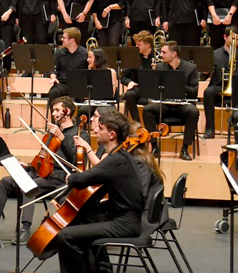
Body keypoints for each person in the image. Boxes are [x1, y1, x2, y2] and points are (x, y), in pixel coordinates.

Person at [57, 108, 163, 273]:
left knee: (66, 236)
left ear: (111, 135)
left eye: (101, 127)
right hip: (125, 218)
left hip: (125, 224)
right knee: (87, 217)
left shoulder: (115, 160)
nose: (96, 130)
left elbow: (83, 178)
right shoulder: (122, 155)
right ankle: (101, 269)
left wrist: (70, 178)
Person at [0, 96, 86, 243]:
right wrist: (29, 166)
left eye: (57, 110)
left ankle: (25, 228)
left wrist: (62, 138)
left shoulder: (79, 133)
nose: (53, 113)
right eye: (53, 110)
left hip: (58, 177)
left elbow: (75, 159)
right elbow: (44, 158)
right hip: (40, 174)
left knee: (28, 185)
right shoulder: (51, 134)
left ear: (67, 112)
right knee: (5, 181)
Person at [142, 42, 200, 160]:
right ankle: (154, 147)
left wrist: (179, 85)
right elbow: (154, 90)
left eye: (164, 52)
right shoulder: (159, 67)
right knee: (147, 110)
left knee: (193, 112)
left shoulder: (190, 68)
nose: (161, 55)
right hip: (165, 105)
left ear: (174, 54)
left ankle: (184, 149)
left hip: (182, 105)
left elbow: (194, 92)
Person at [202, 26, 238, 139]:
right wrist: (205, 71)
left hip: (237, 89)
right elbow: (203, 77)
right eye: (233, 39)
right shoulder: (215, 54)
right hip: (219, 87)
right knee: (208, 92)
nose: (236, 42)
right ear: (225, 37)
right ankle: (210, 129)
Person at [47, 27, 89, 107]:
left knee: (76, 99)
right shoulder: (59, 52)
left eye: (64, 38)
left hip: (78, 85)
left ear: (72, 40)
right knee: (53, 93)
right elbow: (53, 68)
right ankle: (55, 119)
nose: (62, 39)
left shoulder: (85, 53)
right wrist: (53, 77)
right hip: (63, 83)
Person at [120, 31, 156, 123]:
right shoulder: (134, 57)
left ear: (147, 45)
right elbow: (123, 77)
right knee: (128, 95)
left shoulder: (158, 56)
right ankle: (137, 124)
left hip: (154, 88)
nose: (136, 47)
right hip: (139, 87)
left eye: (139, 45)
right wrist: (130, 82)